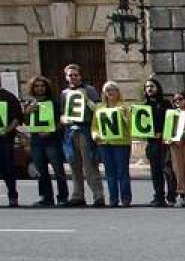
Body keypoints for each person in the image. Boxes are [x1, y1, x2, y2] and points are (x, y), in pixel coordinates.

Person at [59, 63, 104, 206]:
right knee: (74, 164)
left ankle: (98, 195)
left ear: (80, 76)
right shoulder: (64, 93)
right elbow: (62, 112)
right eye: (70, 75)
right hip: (70, 131)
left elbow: (98, 108)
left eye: (75, 75)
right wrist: (62, 119)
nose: (73, 78)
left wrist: (87, 99)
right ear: (66, 77)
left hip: (85, 130)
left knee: (89, 164)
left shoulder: (89, 90)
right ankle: (77, 195)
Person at [23, 75, 68, 206]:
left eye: (42, 86)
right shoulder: (29, 103)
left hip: (52, 140)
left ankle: (62, 197)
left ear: (46, 87)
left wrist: (51, 131)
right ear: (32, 88)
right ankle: (46, 197)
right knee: (41, 171)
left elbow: (62, 120)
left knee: (58, 170)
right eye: (36, 86)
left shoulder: (54, 102)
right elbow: (26, 122)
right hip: (36, 141)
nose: (39, 88)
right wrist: (27, 112)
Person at [90, 81, 132, 207]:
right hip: (104, 144)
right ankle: (113, 199)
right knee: (109, 172)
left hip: (122, 143)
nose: (111, 92)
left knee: (122, 171)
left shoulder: (124, 107)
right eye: (108, 90)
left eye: (114, 89)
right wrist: (95, 135)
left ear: (118, 92)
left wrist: (126, 118)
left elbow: (130, 126)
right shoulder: (99, 108)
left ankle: (125, 198)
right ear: (104, 93)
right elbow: (94, 126)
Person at [142, 78, 175, 206]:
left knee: (168, 170)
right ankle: (158, 196)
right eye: (147, 87)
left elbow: (172, 121)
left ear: (157, 87)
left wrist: (164, 134)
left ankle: (171, 196)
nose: (149, 89)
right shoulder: (144, 106)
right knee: (155, 171)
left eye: (152, 86)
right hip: (152, 143)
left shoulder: (166, 104)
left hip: (165, 142)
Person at [1, 80, 25, 206]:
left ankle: (13, 196)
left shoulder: (9, 97)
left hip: (5, 139)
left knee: (8, 169)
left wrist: (8, 130)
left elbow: (18, 117)